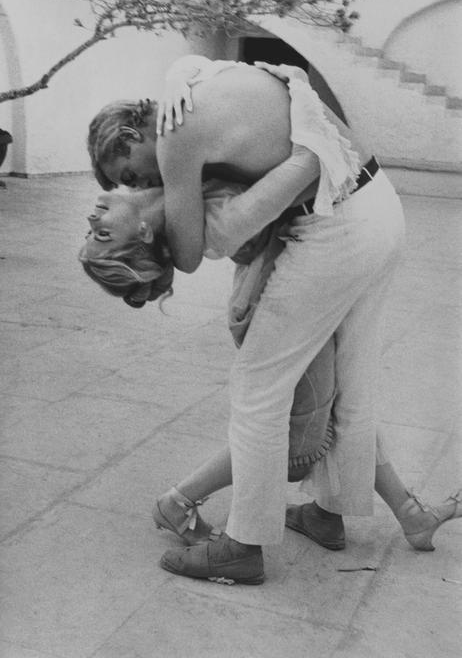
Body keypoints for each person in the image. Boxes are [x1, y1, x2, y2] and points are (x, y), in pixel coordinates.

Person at [85, 57, 461, 584]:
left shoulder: (175, 139)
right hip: (378, 202)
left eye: (130, 173)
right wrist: (181, 75)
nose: (142, 182)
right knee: (352, 389)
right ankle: (334, 513)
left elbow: (192, 255)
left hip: (340, 224)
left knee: (259, 390)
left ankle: (242, 545)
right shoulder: (199, 88)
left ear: (131, 132)